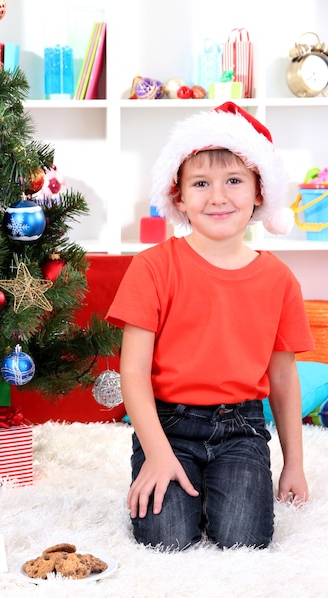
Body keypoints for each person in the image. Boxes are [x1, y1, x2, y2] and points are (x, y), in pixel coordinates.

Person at [106, 102, 314, 551]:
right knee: (166, 540)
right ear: (178, 196)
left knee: (243, 539)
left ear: (260, 191)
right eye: (200, 184)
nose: (217, 197)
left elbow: (282, 376)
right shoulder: (152, 267)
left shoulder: (279, 279)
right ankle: (179, 481)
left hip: (241, 428)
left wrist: (293, 463)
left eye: (233, 181)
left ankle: (219, 488)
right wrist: (157, 453)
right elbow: (133, 372)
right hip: (168, 425)